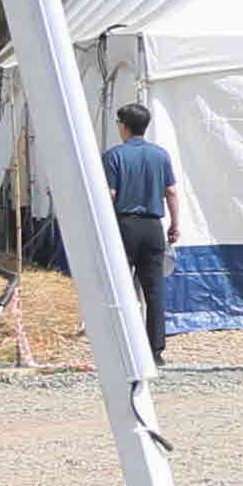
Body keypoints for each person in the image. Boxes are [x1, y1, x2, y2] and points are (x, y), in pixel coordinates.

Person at [101, 102, 176, 367]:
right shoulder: (161, 155)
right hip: (153, 226)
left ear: (124, 126)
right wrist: (174, 224)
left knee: (121, 287)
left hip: (125, 226)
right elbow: (171, 192)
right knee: (154, 290)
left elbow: (110, 195)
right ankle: (155, 350)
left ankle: (123, 346)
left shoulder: (114, 155)